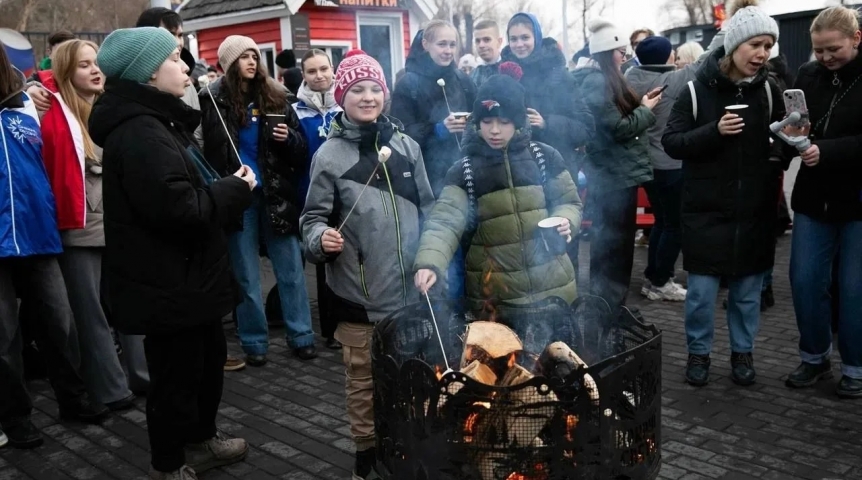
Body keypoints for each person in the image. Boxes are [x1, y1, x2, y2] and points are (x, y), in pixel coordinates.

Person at [91, 27, 253, 479]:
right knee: (176, 381)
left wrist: (223, 187)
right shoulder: (141, 133)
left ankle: (200, 441)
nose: (186, 67)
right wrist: (235, 190)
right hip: (169, 282)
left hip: (190, 279)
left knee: (203, 370)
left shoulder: (160, 121)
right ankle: (170, 464)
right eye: (175, 60)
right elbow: (180, 209)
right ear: (147, 74)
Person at [301, 50, 435, 480]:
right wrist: (320, 239)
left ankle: (407, 444)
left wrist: (431, 259)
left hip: (410, 293)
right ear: (341, 96)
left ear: (385, 94)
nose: (367, 96)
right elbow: (311, 219)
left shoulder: (408, 147)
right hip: (358, 295)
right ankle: (367, 453)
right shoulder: (329, 155)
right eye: (357, 89)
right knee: (363, 382)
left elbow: (431, 210)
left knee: (411, 376)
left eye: (374, 88)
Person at [662, 5, 784, 388]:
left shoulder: (769, 90)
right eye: (755, 44)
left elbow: (783, 145)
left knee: (747, 296)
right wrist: (713, 131)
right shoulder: (696, 91)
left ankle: (742, 353)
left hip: (753, 213)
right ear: (733, 46)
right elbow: (672, 142)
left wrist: (793, 140)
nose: (763, 54)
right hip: (706, 213)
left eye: (768, 45)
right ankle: (699, 354)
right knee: (700, 296)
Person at [1, 49, 108, 451]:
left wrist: (31, 84)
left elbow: (59, 78)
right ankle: (16, 416)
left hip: (37, 231)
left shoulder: (27, 102)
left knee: (59, 321)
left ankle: (72, 398)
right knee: (4, 335)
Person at [413, 65, 581, 311]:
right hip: (496, 297)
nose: (494, 130)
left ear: (519, 122)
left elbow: (570, 202)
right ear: (476, 122)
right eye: (486, 121)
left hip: (553, 289)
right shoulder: (464, 171)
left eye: (503, 122)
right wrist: (430, 262)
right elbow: (444, 222)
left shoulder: (544, 157)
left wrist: (567, 220)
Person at [198, 36, 314, 365]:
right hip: (238, 197)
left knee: (290, 268)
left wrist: (288, 138)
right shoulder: (213, 100)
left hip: (275, 193)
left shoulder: (276, 96)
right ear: (229, 63)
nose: (251, 62)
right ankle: (254, 342)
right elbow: (204, 148)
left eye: (254, 56)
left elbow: (300, 149)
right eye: (243, 57)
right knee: (246, 274)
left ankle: (302, 335)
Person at [40, 39, 138, 410]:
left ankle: (141, 376)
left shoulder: (108, 106)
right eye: (83, 65)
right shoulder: (52, 110)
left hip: (117, 222)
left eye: (97, 63)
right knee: (90, 313)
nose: (95, 70)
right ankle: (112, 389)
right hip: (78, 227)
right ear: (66, 72)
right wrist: (41, 85)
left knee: (127, 305)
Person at [784, 6, 862, 399]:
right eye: (820, 50)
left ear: (856, 39)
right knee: (805, 281)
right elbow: (799, 123)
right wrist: (789, 135)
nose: (827, 57)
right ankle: (814, 357)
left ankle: (856, 367)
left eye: (834, 49)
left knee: (854, 289)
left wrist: (824, 151)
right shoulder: (809, 75)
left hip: (857, 201)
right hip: (814, 199)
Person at [572, 18, 659, 311]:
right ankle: (607, 306)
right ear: (609, 53)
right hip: (614, 178)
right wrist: (646, 110)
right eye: (620, 50)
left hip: (615, 176)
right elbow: (618, 129)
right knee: (614, 246)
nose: (625, 55)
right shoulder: (598, 81)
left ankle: (607, 304)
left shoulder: (604, 79)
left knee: (612, 244)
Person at [625, 36, 688, 302]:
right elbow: (711, 56)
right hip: (670, 164)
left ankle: (653, 279)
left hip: (646, 163)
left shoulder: (629, 78)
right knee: (674, 225)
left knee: (661, 222)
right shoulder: (674, 80)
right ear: (666, 57)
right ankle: (661, 280)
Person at [292, 49, 342, 350]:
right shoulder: (295, 111)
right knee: (324, 261)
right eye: (312, 71)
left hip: (346, 192)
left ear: (333, 69)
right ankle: (330, 328)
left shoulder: (347, 103)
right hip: (313, 192)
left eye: (324, 68)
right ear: (304, 75)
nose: (319, 75)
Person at [391, 20, 476, 196]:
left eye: (452, 45)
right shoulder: (408, 84)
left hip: (465, 171)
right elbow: (399, 135)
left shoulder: (463, 80)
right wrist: (437, 129)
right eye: (442, 44)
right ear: (425, 44)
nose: (448, 51)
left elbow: (480, 118)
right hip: (425, 177)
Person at [136, 7, 200, 111]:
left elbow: (197, 125)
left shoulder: (187, 82)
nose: (178, 42)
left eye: (180, 35)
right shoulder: (132, 87)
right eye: (170, 34)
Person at [471, 19, 504, 87]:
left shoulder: (509, 70)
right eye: (478, 41)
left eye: (486, 40)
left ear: (499, 42)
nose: (481, 45)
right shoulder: (472, 76)